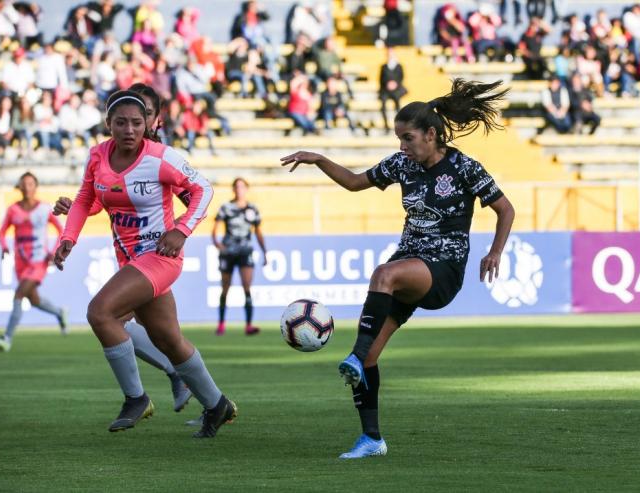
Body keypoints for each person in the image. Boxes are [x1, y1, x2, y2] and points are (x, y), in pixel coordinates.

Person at [280, 78, 515, 459]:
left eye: (407, 138)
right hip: (411, 262)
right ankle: (371, 438)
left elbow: (505, 209)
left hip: (444, 267)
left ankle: (354, 354)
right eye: (399, 139)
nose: (401, 146)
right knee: (373, 356)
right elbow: (356, 183)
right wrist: (320, 159)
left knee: (383, 275)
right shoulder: (402, 165)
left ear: (431, 135)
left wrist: (495, 252)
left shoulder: (464, 167)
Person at [54, 90, 235, 438]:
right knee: (168, 340)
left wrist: (181, 230)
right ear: (108, 124)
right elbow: (85, 199)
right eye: (120, 122)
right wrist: (68, 238)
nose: (129, 129)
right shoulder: (97, 157)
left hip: (160, 257)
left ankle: (136, 398)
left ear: (148, 124)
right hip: (130, 259)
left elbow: (203, 189)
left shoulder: (160, 157)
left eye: (137, 122)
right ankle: (217, 405)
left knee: (101, 312)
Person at [0, 172, 67, 352]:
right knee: (34, 299)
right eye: (23, 184)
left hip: (39, 260)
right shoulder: (13, 210)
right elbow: (1, 233)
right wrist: (3, 247)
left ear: (35, 186)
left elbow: (61, 230)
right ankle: (60, 312)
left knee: (18, 294)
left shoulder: (45, 209)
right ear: (20, 187)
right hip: (20, 261)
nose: (27, 187)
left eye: (30, 183)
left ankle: (6, 338)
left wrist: (54, 251)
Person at [212, 178, 267, 336]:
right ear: (233, 189)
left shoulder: (252, 209)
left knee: (247, 287)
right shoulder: (226, 207)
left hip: (245, 251)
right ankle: (221, 324)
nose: (239, 190)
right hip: (228, 252)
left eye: (242, 187)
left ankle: (249, 325)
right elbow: (215, 229)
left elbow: (257, 231)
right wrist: (218, 244)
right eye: (237, 187)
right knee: (225, 288)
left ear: (246, 189)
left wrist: (265, 251)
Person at [379, 48, 406, 132]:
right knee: (383, 105)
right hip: (385, 91)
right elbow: (380, 79)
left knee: (397, 105)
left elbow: (401, 78)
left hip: (396, 90)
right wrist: (387, 84)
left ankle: (399, 125)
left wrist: (395, 84)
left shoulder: (399, 66)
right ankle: (386, 127)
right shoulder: (383, 66)